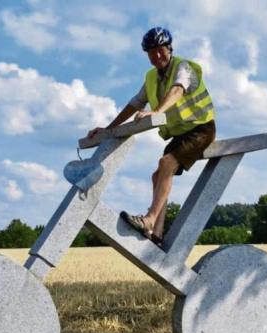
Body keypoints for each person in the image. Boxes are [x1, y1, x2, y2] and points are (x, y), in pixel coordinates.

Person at [87, 27, 216, 246]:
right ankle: (156, 236)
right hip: (180, 135)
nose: (156, 56)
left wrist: (157, 112)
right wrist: (108, 129)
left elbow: (177, 90)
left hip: (201, 129)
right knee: (157, 177)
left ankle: (149, 219)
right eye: (151, 52)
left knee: (166, 163)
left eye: (160, 50)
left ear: (169, 48)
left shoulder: (183, 67)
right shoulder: (151, 78)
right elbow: (135, 104)